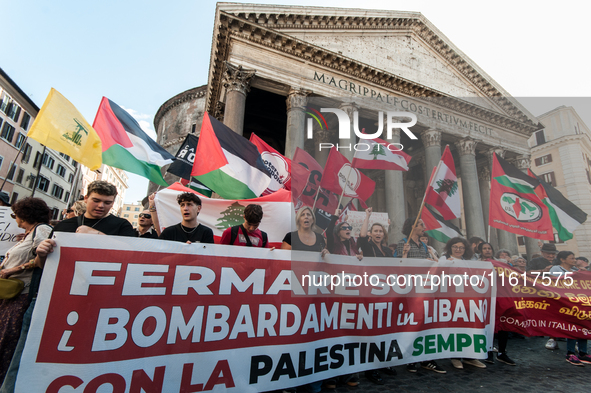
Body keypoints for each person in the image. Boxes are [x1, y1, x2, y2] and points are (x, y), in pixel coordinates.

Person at [0, 198, 52, 385]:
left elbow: (41, 261)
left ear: (24, 215)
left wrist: (12, 269)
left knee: (8, 341)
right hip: (11, 294)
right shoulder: (31, 232)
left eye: (15, 215)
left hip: (22, 294)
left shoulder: (42, 231)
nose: (15, 219)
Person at [396, 217, 445, 374]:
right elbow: (397, 267)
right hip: (410, 292)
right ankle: (410, 358)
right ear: (413, 226)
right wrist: (404, 255)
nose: (424, 227)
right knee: (412, 324)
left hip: (425, 289)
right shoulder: (402, 243)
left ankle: (426, 358)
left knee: (426, 324)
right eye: (421, 224)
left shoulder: (424, 245)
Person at [441, 237, 486, 370]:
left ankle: (470, 357)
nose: (458, 250)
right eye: (455, 247)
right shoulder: (444, 259)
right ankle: (455, 356)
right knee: (454, 326)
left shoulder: (468, 262)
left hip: (468, 298)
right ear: (450, 248)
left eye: (461, 247)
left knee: (469, 327)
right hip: (452, 298)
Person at [48, 181, 136, 237]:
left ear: (112, 203)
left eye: (107, 203)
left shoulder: (122, 226)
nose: (101, 205)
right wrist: (41, 255)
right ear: (86, 199)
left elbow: (130, 254)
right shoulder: (64, 225)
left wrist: (96, 234)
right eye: (96, 200)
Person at [478, 243, 517, 366]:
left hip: (500, 296)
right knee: (488, 326)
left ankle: (502, 352)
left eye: (489, 248)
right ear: (480, 251)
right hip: (485, 297)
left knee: (503, 325)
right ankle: (488, 352)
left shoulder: (500, 263)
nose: (487, 250)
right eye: (485, 248)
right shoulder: (476, 263)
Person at [550, 251, 591, 366]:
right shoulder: (556, 268)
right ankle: (570, 353)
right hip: (565, 301)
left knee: (583, 325)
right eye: (571, 258)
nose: (574, 260)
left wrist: (583, 274)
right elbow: (554, 282)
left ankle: (583, 353)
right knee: (572, 326)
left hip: (578, 301)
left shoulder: (575, 270)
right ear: (563, 259)